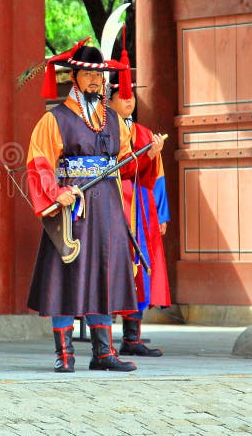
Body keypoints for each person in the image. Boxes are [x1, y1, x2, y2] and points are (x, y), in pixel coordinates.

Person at [26, 39, 160, 372]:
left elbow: (126, 165)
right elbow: (39, 161)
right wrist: (56, 192)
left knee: (106, 274)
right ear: (74, 77)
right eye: (89, 75)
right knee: (65, 275)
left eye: (100, 76)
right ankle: (65, 354)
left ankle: (103, 353)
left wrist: (148, 156)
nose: (96, 82)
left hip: (109, 209)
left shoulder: (113, 120)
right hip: (73, 208)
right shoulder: (55, 119)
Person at [108, 76, 171, 357]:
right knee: (115, 265)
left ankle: (132, 337)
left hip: (142, 207)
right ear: (109, 100)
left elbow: (158, 176)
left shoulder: (144, 133)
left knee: (141, 266)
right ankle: (103, 340)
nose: (129, 100)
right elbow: (119, 168)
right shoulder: (104, 131)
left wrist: (161, 213)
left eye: (131, 95)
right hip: (115, 202)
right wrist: (147, 156)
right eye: (122, 96)